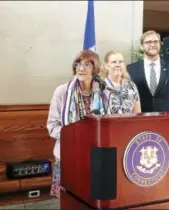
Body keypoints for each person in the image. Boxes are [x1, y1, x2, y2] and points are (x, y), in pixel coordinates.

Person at [46, 50, 106, 198]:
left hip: (96, 156)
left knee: (94, 198)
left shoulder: (104, 93)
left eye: (87, 65)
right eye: (78, 64)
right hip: (68, 155)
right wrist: (76, 135)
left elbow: (109, 123)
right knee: (69, 200)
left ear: (95, 68)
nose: (81, 68)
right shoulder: (62, 92)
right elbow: (52, 126)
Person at [127, 30, 169, 112]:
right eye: (148, 42)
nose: (152, 44)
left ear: (160, 44)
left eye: (156, 42)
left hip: (165, 118)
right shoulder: (131, 69)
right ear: (142, 46)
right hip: (140, 118)